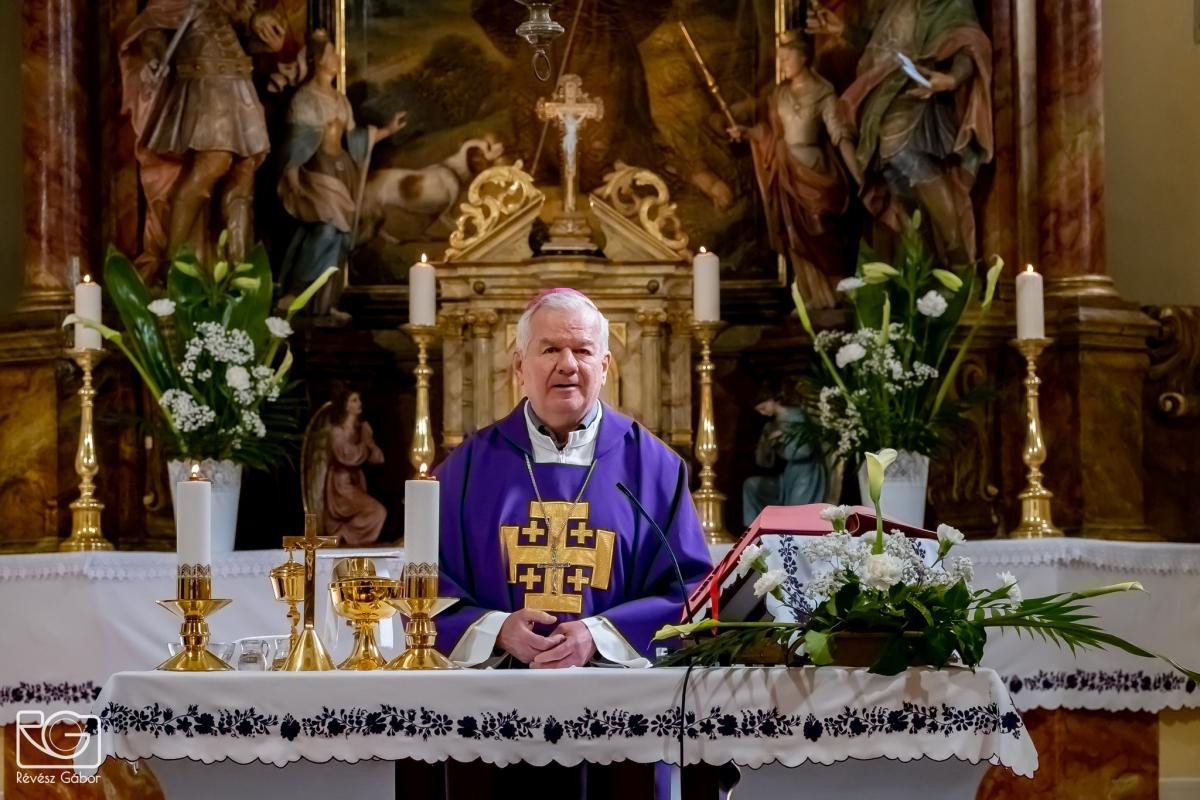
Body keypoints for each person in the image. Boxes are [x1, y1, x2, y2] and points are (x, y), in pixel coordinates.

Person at [434, 288, 712, 672]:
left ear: (605, 366)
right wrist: (496, 630)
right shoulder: (466, 469)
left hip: (618, 692)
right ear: (519, 367)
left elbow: (690, 591)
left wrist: (598, 635)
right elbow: (427, 590)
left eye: (582, 350)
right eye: (550, 349)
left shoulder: (655, 468)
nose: (567, 365)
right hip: (497, 688)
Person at [807, 0, 993, 264]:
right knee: (891, 170)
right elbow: (884, 47)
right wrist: (843, 30)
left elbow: (968, 42)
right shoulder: (896, 4)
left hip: (924, 92)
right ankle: (925, 259)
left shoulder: (949, 2)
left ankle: (956, 250)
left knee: (899, 150)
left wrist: (953, 78)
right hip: (885, 95)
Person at [119, 0, 287, 275]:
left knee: (243, 175)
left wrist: (267, 40)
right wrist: (154, 57)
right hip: (206, 88)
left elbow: (243, 38)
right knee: (213, 165)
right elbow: (152, 29)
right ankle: (174, 265)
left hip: (238, 86)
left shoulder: (227, 5)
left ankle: (238, 273)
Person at [276, 29, 406, 321]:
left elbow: (354, 137)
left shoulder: (340, 99)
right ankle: (296, 290)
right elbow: (296, 143)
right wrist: (292, 176)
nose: (336, 58)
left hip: (342, 169)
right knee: (326, 229)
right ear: (318, 59)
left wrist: (387, 131)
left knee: (340, 236)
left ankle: (326, 302)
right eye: (331, 53)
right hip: (317, 170)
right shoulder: (305, 99)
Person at [729, 33, 861, 309]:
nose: (783, 64)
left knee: (822, 227)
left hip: (814, 169)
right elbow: (771, 133)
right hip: (786, 170)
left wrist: (859, 175)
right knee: (794, 234)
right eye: (780, 59)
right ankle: (811, 295)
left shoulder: (823, 92)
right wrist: (747, 132)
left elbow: (839, 134)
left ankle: (836, 292)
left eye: (787, 58)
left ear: (803, 56)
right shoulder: (779, 94)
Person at [742, 396, 827, 526]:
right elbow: (763, 461)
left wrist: (783, 439)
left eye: (763, 407)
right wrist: (768, 445)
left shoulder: (797, 416)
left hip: (805, 473)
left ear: (772, 399)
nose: (763, 413)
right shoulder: (770, 425)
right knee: (752, 485)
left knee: (795, 515)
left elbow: (805, 450)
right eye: (759, 411)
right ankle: (753, 530)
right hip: (787, 475)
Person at [325, 388, 386, 545]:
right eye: (354, 400)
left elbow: (378, 459)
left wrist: (370, 443)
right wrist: (365, 442)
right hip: (341, 486)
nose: (359, 403)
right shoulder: (337, 431)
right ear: (346, 406)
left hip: (356, 483)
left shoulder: (361, 429)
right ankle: (342, 533)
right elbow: (347, 456)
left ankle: (343, 534)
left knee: (376, 512)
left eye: (359, 399)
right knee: (377, 511)